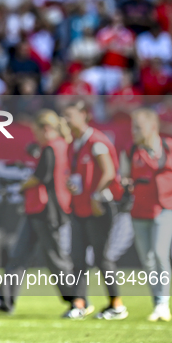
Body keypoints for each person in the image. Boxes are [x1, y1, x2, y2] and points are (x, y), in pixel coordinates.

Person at [0, 110, 76, 316]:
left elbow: (41, 176)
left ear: (46, 129)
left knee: (55, 259)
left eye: (37, 131)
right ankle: (3, 302)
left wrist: (21, 186)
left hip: (48, 210)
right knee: (19, 256)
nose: (36, 136)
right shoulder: (57, 147)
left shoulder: (52, 147)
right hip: (37, 210)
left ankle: (78, 300)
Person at [63, 101, 128, 320]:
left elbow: (109, 171)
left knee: (102, 258)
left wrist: (96, 195)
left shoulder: (96, 141)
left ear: (84, 115)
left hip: (98, 206)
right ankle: (79, 303)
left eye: (69, 115)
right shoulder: (75, 143)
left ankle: (116, 304)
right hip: (80, 206)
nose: (66, 120)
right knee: (78, 258)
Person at [128, 108, 172, 322]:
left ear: (152, 127)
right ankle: (157, 301)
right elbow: (124, 176)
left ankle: (163, 303)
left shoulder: (171, 147)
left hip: (163, 208)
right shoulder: (132, 150)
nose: (133, 131)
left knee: (160, 254)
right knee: (147, 259)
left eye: (138, 127)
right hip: (139, 211)